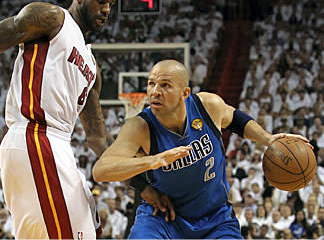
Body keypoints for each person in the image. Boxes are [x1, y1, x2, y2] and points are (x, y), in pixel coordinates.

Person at [0, 0, 117, 239]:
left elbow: (98, 138)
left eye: (110, 4)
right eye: (101, 1)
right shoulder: (53, 18)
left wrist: (142, 179)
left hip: (59, 146)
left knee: (91, 230)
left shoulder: (92, 64)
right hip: (34, 136)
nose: (107, 9)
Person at [92, 59, 312, 239]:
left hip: (215, 218)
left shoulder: (207, 106)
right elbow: (101, 170)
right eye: (151, 84)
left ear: (185, 92)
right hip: (164, 219)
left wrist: (268, 139)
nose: (155, 92)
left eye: (165, 85)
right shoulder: (139, 127)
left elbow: (235, 119)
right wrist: (153, 161)